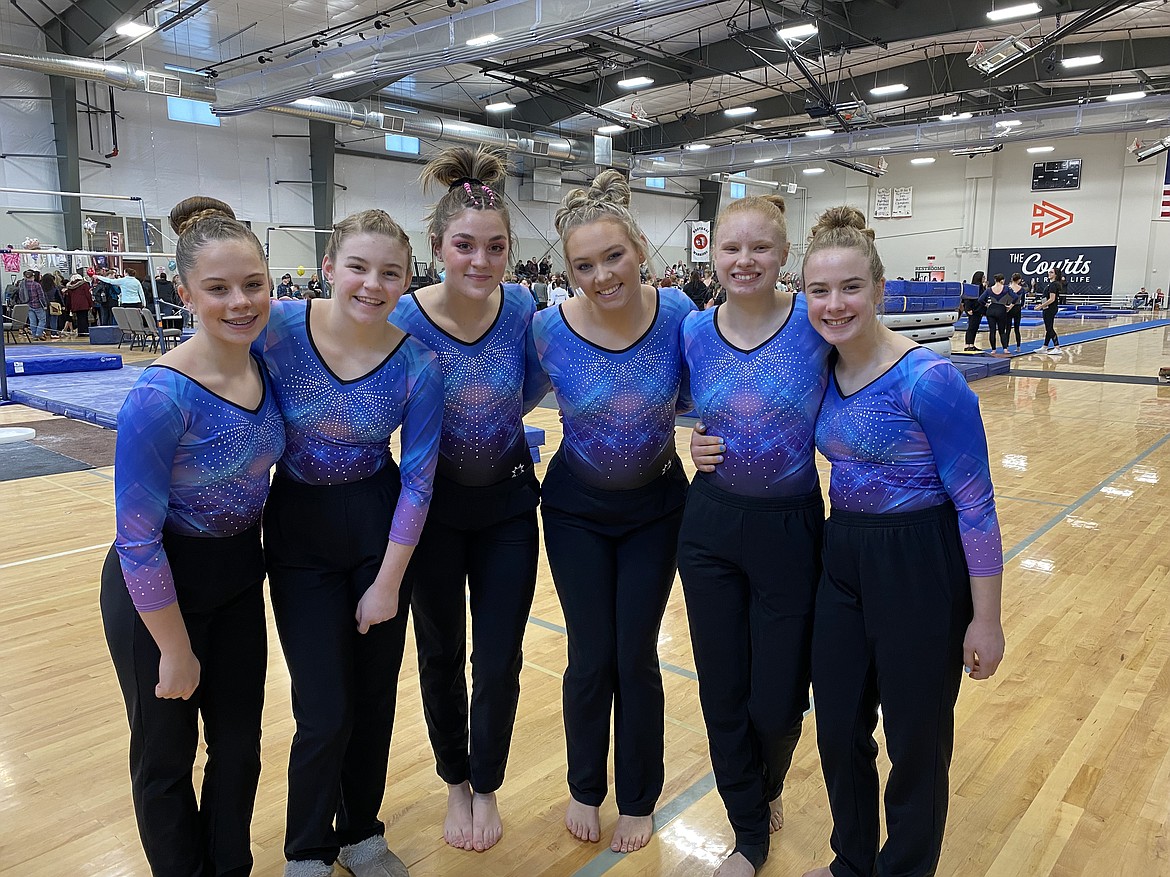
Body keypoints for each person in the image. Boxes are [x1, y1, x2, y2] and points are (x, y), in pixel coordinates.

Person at [798, 206, 1005, 877]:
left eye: (850, 286)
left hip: (921, 561)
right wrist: (706, 445)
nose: (835, 303)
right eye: (820, 290)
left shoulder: (929, 379)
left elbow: (975, 504)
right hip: (844, 556)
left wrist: (987, 618)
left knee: (916, 741)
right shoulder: (820, 370)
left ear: (880, 290)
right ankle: (851, 862)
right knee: (836, 726)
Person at [100, 195, 285, 876]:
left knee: (240, 748)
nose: (240, 301)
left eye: (253, 284)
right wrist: (172, 648)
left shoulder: (265, 366)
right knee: (165, 757)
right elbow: (137, 538)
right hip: (157, 590)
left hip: (237, 578)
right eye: (218, 288)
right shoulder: (161, 396)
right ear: (183, 292)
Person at [257, 209, 442, 877]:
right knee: (323, 703)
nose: (372, 284)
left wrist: (390, 580)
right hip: (299, 526)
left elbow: (419, 481)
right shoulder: (277, 328)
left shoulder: (418, 362)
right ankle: (307, 844)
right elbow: (217, 376)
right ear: (328, 267)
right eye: (358, 267)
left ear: (406, 279)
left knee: (372, 698)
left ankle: (361, 829)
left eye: (390, 272)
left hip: (378, 524)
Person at [390, 146, 550, 854]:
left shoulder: (519, 306)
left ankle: (487, 779)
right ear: (437, 247)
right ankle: (455, 776)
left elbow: (543, 377)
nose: (480, 261)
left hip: (509, 506)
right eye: (465, 246)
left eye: (495, 247)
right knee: (439, 650)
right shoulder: (401, 315)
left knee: (501, 653)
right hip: (430, 509)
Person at [532, 170, 696, 855]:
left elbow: (713, 385)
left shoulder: (681, 312)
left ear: (641, 252)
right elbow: (491, 393)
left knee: (636, 655)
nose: (602, 275)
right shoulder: (546, 329)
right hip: (575, 509)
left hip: (657, 505)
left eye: (613, 257)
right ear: (568, 273)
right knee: (590, 655)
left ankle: (638, 795)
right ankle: (583, 785)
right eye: (584, 265)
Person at [679, 195, 831, 877]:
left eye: (760, 248)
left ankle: (767, 782)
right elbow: (663, 402)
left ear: (784, 254)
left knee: (776, 696)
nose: (745, 261)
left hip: (791, 526)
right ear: (713, 253)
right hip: (709, 524)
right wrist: (687, 441)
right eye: (731, 248)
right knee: (721, 688)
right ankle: (748, 833)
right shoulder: (693, 330)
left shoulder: (815, 324)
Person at [982, 273, 1015, 356]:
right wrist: (1010, 306)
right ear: (1002, 280)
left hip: (991, 309)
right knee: (1002, 331)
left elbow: (980, 299)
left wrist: (986, 304)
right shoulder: (1006, 288)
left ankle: (993, 349)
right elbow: (1016, 297)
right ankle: (1005, 349)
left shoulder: (989, 289)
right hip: (1001, 309)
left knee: (992, 331)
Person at [1037, 267, 1064, 355]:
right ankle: (1045, 346)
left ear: (1056, 274)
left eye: (1051, 272)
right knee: (1048, 328)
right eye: (1049, 272)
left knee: (1049, 328)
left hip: (1050, 308)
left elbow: (1052, 299)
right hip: (1048, 308)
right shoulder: (1052, 284)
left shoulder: (1053, 285)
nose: (1049, 274)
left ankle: (1057, 347)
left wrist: (1041, 306)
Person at [960, 271, 986, 352]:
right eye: (983, 277)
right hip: (973, 310)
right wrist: (968, 309)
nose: (984, 279)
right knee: (971, 327)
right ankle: (967, 344)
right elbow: (967, 299)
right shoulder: (972, 287)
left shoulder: (982, 287)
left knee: (975, 327)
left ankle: (972, 344)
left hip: (979, 310)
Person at [64, 273, 93, 337]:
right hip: (84, 304)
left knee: (79, 319)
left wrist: (68, 308)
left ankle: (80, 332)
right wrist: (91, 304)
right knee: (84, 319)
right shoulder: (84, 284)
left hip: (75, 305)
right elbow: (88, 295)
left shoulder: (70, 286)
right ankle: (85, 332)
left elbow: (69, 298)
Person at [1007, 272, 1027, 353]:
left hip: (1009, 308)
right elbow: (1023, 302)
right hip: (1017, 308)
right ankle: (1018, 347)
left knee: (1007, 329)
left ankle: (1006, 347)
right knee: (1016, 328)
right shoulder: (1021, 289)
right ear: (1019, 280)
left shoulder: (1008, 288)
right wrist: (1020, 305)